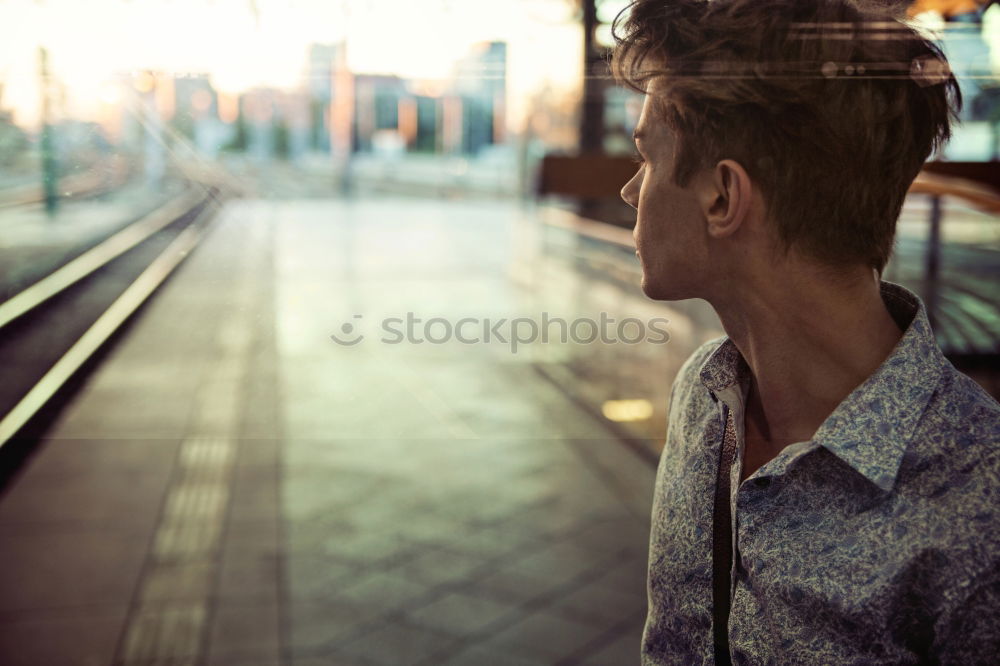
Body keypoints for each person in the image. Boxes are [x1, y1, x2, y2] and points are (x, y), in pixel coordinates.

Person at [612, 0, 1000, 663]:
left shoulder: (978, 511)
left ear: (722, 198)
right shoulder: (706, 396)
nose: (628, 190)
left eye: (647, 156)